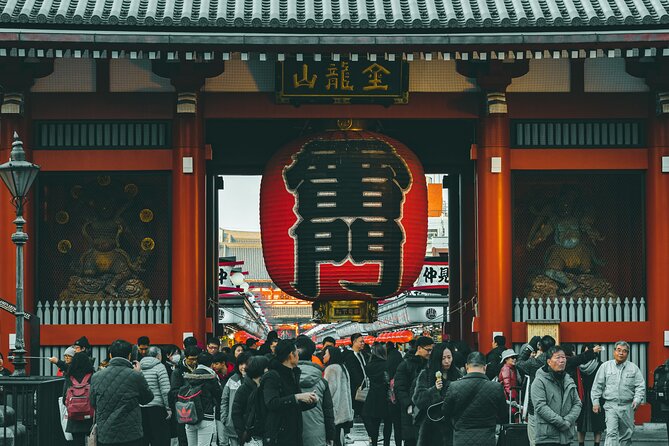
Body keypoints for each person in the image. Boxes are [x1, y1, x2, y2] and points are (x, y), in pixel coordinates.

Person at [90, 339, 154, 446]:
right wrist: (140, 373)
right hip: (131, 434)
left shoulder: (96, 377)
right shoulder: (135, 376)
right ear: (129, 356)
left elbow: (92, 403)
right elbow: (147, 399)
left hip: (106, 434)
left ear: (110, 355)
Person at [441, 351, 507, 446]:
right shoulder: (496, 387)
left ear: (466, 367)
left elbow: (445, 412)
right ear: (485, 367)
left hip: (461, 438)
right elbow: (503, 415)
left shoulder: (454, 386)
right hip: (487, 438)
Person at [262, 339, 318, 446]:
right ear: (291, 355)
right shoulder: (272, 376)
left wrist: (311, 400)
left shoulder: (293, 374)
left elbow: (294, 404)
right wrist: (297, 397)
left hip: (294, 432)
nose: (298, 355)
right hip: (278, 435)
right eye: (296, 352)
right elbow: (271, 403)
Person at [591, 341, 646, 446]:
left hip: (627, 406)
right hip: (611, 405)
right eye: (619, 350)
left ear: (628, 354)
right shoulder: (605, 367)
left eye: (624, 351)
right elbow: (597, 386)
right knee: (611, 433)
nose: (621, 353)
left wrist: (637, 399)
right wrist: (595, 402)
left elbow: (640, 386)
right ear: (614, 351)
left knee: (626, 435)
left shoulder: (633, 368)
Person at [413, 342, 463, 446]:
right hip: (431, 426)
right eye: (443, 358)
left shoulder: (457, 374)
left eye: (449, 357)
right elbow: (418, 399)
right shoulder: (426, 374)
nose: (447, 361)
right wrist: (434, 390)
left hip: (452, 425)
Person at [531, 346, 582, 446]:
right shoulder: (539, 381)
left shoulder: (568, 379)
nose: (562, 360)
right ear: (549, 361)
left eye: (563, 357)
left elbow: (577, 403)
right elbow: (540, 407)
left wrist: (568, 420)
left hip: (566, 436)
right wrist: (561, 423)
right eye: (558, 357)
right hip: (547, 437)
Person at [295, 336, 336, 446]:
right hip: (317, 435)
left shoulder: (283, 379)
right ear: (311, 355)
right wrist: (331, 435)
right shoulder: (322, 382)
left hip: (290, 435)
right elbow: (328, 412)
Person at [517, 335, 556, 446]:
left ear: (540, 347)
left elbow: (519, 363)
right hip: (553, 405)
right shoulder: (557, 363)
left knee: (534, 439)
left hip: (535, 405)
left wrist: (530, 346)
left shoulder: (533, 363)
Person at [394, 336, 433, 446]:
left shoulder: (430, 365)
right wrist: (408, 405)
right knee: (411, 440)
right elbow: (400, 388)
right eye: (428, 350)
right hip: (411, 411)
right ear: (419, 348)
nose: (430, 353)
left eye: (432, 350)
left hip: (426, 409)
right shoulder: (405, 365)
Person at [182, 352, 223, 446]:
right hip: (206, 416)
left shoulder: (189, 376)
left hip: (189, 415)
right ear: (211, 363)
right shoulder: (212, 377)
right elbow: (219, 395)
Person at [231, 356, 270, 445]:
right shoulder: (243, 389)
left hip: (267, 436)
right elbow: (236, 414)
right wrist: (244, 435)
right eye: (266, 368)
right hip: (252, 439)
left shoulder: (268, 387)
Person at [360, 343, 391, 446]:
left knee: (374, 423)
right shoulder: (387, 364)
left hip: (373, 396)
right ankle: (386, 443)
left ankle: (374, 443)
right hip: (386, 396)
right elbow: (388, 379)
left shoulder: (368, 366)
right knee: (387, 423)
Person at [323, 346, 354, 446]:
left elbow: (329, 391)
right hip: (343, 409)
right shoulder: (342, 367)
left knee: (334, 439)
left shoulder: (331, 369)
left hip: (334, 409)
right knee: (338, 438)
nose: (323, 356)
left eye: (326, 354)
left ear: (331, 356)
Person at [139, 346, 171, 446]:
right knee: (159, 439)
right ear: (158, 356)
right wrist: (168, 408)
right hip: (157, 408)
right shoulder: (160, 367)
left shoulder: (138, 367)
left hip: (141, 408)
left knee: (144, 438)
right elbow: (165, 390)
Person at [170, 345, 201, 446]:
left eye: (196, 359)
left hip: (198, 407)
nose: (194, 362)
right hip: (183, 409)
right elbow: (174, 391)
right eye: (191, 359)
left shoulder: (200, 369)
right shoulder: (178, 372)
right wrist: (189, 391)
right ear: (185, 358)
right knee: (183, 438)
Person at [575, 344, 606, 446]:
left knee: (597, 423)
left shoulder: (601, 365)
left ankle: (596, 444)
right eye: (586, 352)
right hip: (582, 395)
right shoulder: (578, 366)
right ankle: (581, 444)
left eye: (590, 352)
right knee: (581, 423)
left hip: (596, 396)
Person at [63, 352, 96, 446]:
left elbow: (64, 399)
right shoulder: (92, 376)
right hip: (90, 418)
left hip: (74, 419)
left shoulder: (69, 376)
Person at [220, 351, 253, 446]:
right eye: (241, 364)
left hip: (249, 424)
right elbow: (224, 400)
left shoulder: (256, 380)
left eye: (246, 364)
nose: (243, 367)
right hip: (232, 424)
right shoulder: (232, 380)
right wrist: (224, 418)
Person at [343, 333, 369, 419]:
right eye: (361, 342)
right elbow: (353, 373)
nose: (363, 343)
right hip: (355, 388)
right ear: (354, 342)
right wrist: (359, 385)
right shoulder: (349, 356)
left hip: (364, 386)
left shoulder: (362, 354)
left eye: (363, 341)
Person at [498, 348, 521, 416]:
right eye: (512, 357)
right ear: (506, 359)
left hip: (512, 395)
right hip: (509, 397)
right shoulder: (506, 369)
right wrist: (512, 398)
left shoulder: (512, 368)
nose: (515, 359)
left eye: (515, 357)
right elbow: (507, 385)